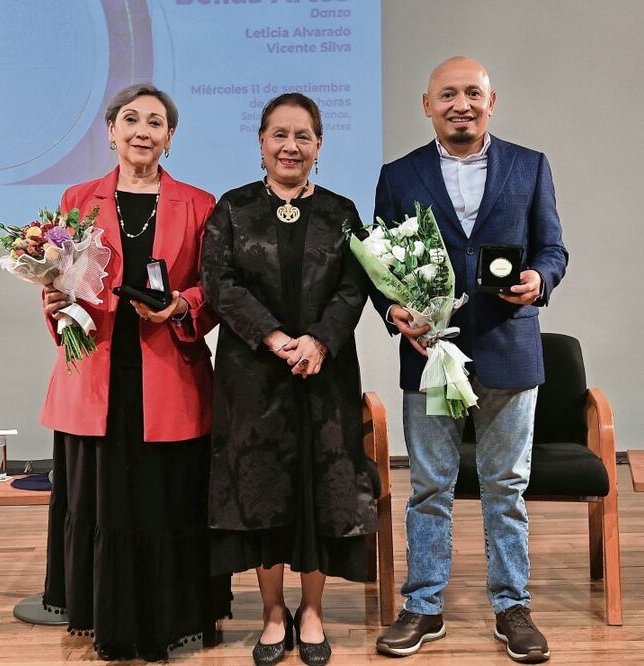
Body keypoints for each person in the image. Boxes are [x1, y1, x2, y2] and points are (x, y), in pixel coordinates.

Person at [372, 57, 568, 664]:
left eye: (473, 93)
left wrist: (541, 277)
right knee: (429, 486)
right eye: (448, 94)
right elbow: (381, 261)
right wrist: (392, 312)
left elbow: (553, 247)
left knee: (505, 487)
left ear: (492, 100)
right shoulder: (399, 175)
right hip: (430, 353)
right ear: (426, 104)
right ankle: (424, 606)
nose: (462, 103)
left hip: (509, 350)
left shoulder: (530, 166)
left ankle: (512, 608)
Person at [38, 83, 230, 662]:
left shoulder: (200, 203)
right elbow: (61, 282)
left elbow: (217, 290)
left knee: (165, 500)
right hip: (95, 373)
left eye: (155, 122)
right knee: (99, 503)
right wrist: (54, 303)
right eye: (131, 119)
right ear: (111, 131)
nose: (142, 130)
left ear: (170, 137)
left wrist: (181, 307)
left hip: (169, 372)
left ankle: (174, 617)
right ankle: (102, 617)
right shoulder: (78, 196)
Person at [201, 92, 377, 666]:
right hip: (253, 376)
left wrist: (320, 340)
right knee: (262, 489)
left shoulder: (342, 212)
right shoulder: (232, 208)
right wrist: (277, 339)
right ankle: (274, 610)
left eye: (303, 136)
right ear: (260, 142)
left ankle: (313, 609)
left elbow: (355, 287)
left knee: (320, 491)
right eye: (279, 134)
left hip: (325, 376)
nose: (290, 146)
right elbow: (220, 284)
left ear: (319, 145)